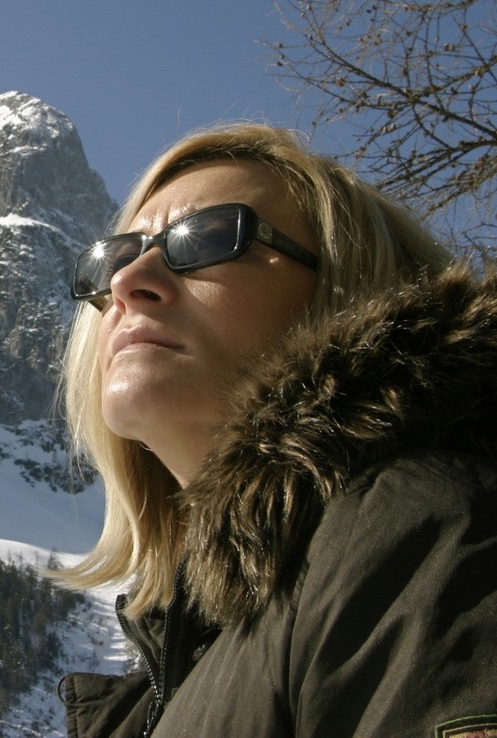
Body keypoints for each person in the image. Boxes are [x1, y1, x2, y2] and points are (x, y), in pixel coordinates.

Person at [56, 122, 497, 737]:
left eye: (206, 237)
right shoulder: (175, 670)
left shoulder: (416, 524)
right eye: (114, 258)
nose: (130, 282)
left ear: (348, 291)